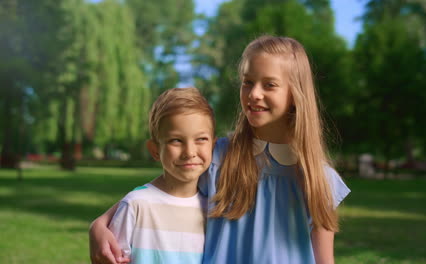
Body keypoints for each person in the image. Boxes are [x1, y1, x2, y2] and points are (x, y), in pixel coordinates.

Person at [89, 35, 350, 264]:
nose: (254, 94)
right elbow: (162, 190)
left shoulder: (320, 179)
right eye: (248, 82)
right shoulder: (217, 157)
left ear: (296, 93)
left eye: (269, 85)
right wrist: (99, 225)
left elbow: (324, 259)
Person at [98, 87, 216, 264]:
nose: (190, 152)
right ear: (155, 150)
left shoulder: (213, 210)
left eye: (201, 139)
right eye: (176, 140)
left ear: (213, 145)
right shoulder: (136, 205)